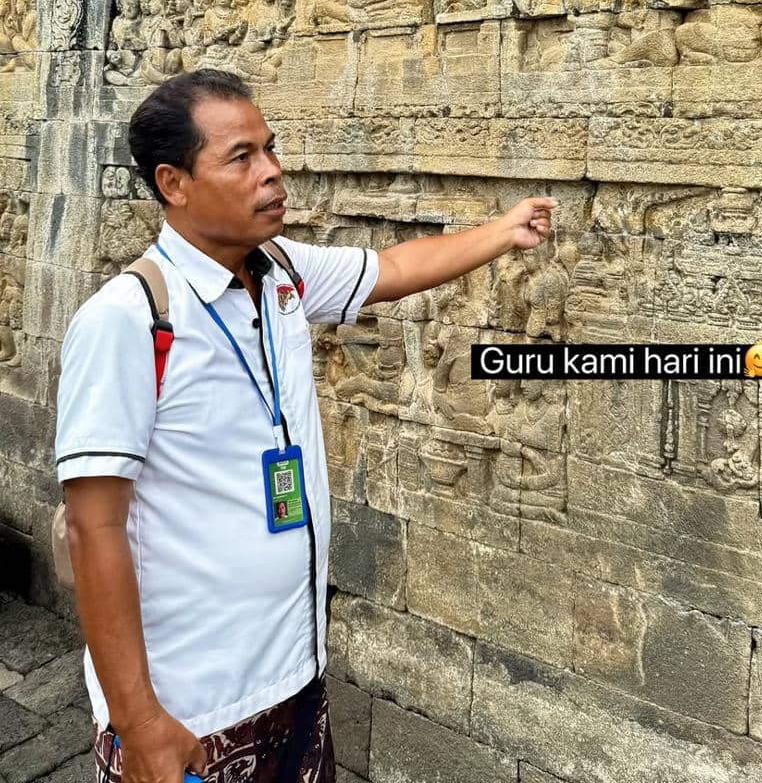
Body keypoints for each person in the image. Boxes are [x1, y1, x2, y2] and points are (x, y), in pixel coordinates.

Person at [54, 69, 555, 783]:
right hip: (190, 704)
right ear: (173, 183)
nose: (272, 173)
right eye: (241, 157)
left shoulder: (281, 274)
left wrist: (502, 231)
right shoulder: (128, 318)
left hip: (292, 672)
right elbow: (91, 526)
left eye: (270, 149)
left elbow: (391, 267)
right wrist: (139, 723)